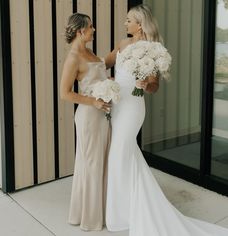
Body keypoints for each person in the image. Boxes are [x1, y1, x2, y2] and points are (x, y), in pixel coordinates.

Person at [104, 4, 228, 236]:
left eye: (129, 20)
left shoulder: (152, 49)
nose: (125, 23)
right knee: (125, 155)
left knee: (119, 154)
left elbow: (154, 86)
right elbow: (105, 63)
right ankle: (124, 208)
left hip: (132, 108)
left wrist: (144, 84)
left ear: (140, 24)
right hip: (117, 107)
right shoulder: (121, 44)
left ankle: (124, 213)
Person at [60, 13, 111, 231]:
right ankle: (90, 219)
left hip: (103, 116)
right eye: (91, 27)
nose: (94, 30)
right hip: (89, 116)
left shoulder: (89, 51)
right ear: (81, 31)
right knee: (91, 165)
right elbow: (65, 93)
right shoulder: (73, 57)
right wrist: (94, 101)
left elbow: (99, 74)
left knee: (101, 162)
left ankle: (104, 211)